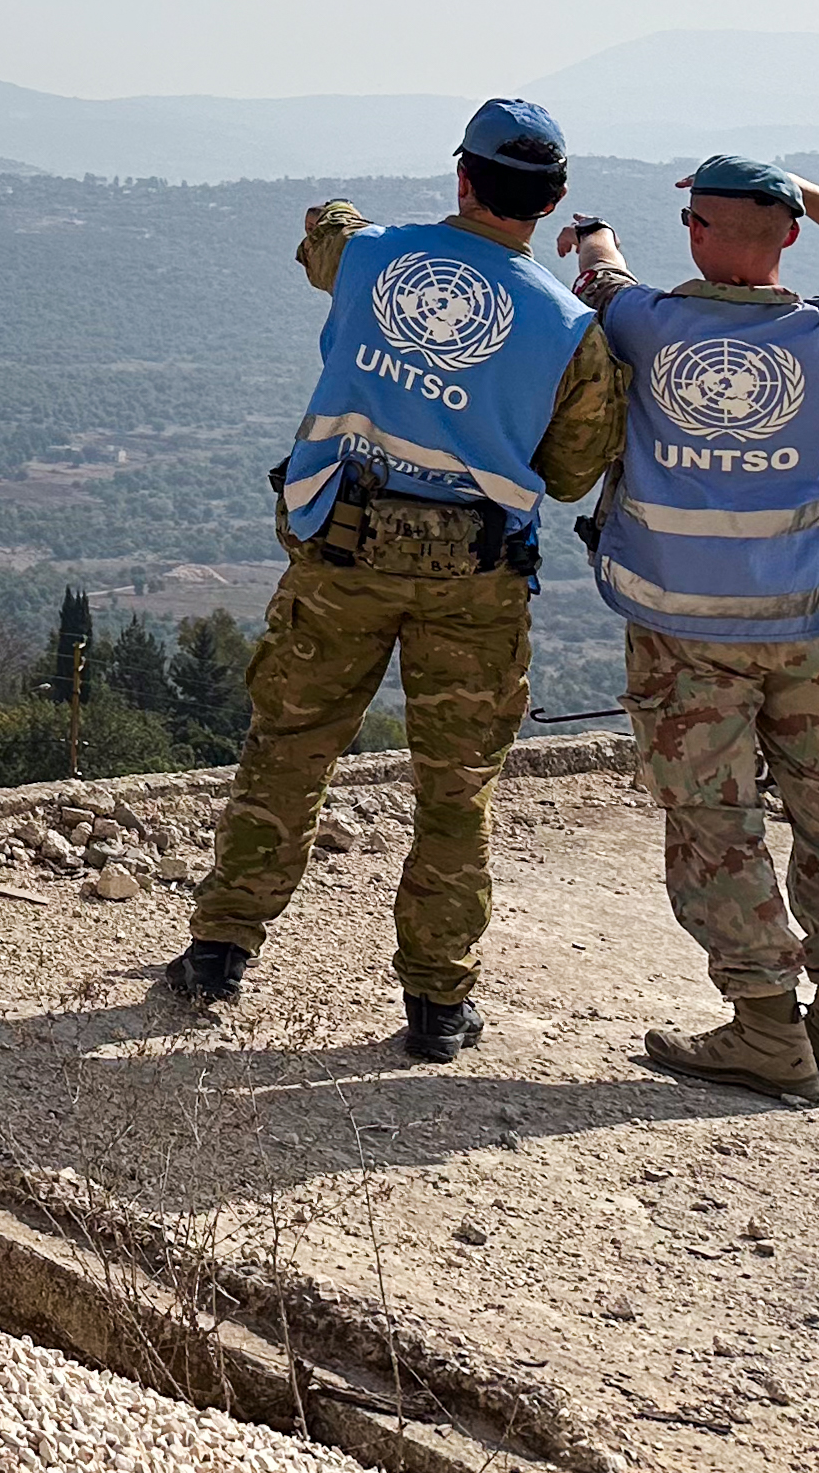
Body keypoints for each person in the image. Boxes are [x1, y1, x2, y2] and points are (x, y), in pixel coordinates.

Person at [166, 99, 625, 1061]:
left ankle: (217, 952)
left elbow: (323, 230)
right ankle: (435, 1007)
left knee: (288, 751)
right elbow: (577, 468)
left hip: (342, 555)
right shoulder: (568, 327)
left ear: (461, 178)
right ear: (552, 202)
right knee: (455, 791)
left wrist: (339, 208)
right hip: (473, 580)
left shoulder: (373, 258)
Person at [559, 160, 819, 1104]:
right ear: (793, 237)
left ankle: (766, 1030)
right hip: (812, 625)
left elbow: (600, 274)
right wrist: (805, 187)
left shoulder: (644, 323)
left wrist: (594, 232)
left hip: (682, 627)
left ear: (691, 229)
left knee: (715, 827)